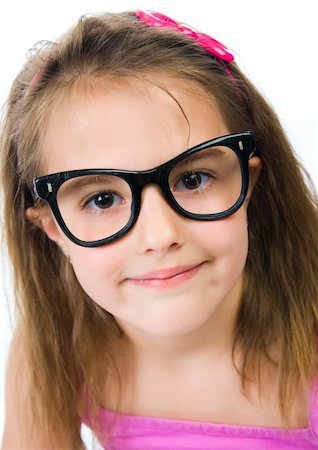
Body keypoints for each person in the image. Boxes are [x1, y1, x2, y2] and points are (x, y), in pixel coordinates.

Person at [1, 8, 318, 450]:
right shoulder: (53, 352)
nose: (159, 235)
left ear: (249, 183)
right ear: (53, 228)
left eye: (192, 179)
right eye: (102, 199)